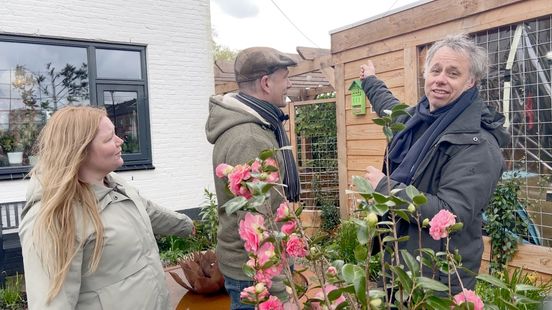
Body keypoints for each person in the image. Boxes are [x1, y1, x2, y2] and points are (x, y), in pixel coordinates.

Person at [359, 34, 509, 293]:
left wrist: (386, 188)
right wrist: (370, 81)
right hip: (400, 260)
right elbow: (389, 106)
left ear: (470, 81)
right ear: (426, 74)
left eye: (453, 73)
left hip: (437, 276)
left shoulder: (478, 145)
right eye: (435, 70)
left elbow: (451, 213)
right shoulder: (417, 120)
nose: (440, 79)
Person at [19, 106, 195, 309]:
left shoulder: (114, 184)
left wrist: (185, 225)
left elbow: (146, 209)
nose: (120, 141)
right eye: (109, 138)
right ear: (80, 151)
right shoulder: (53, 217)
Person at [206, 47, 301, 309]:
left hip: (251, 270)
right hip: (256, 275)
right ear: (266, 82)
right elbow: (257, 223)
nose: (290, 83)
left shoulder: (258, 125)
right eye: (286, 77)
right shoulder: (249, 138)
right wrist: (280, 292)